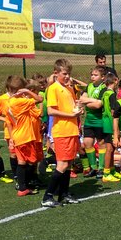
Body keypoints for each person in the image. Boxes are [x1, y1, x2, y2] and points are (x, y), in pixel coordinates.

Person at [41, 59, 83, 207]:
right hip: (62, 131)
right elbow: (50, 111)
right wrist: (71, 115)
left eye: (69, 74)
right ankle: (47, 196)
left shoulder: (69, 89)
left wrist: (78, 110)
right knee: (62, 165)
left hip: (72, 130)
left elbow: (71, 108)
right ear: (56, 73)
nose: (67, 77)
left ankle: (64, 194)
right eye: (64, 74)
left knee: (68, 164)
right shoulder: (53, 88)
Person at [7, 76, 43, 197]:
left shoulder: (10, 101)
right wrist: (28, 92)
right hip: (25, 136)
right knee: (31, 161)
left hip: (18, 135)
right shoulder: (20, 102)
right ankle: (27, 183)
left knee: (22, 162)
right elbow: (40, 99)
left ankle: (22, 187)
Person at [78, 66, 107, 177]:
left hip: (100, 121)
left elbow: (98, 105)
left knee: (101, 143)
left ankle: (101, 168)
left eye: (96, 75)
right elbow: (82, 99)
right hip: (89, 120)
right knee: (87, 143)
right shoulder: (89, 86)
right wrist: (93, 101)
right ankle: (93, 167)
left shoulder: (104, 88)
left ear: (103, 77)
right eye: (92, 75)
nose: (93, 77)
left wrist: (88, 102)